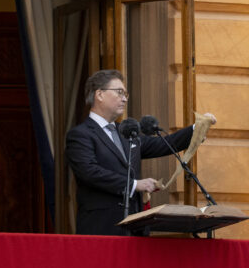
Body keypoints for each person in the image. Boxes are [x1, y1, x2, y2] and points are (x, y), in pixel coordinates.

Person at [66, 69, 215, 236]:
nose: (124, 99)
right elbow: (90, 172)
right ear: (99, 95)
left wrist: (197, 129)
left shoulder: (127, 132)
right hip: (101, 228)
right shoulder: (81, 134)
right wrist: (135, 185)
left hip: (134, 228)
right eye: (119, 92)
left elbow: (165, 144)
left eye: (126, 94)